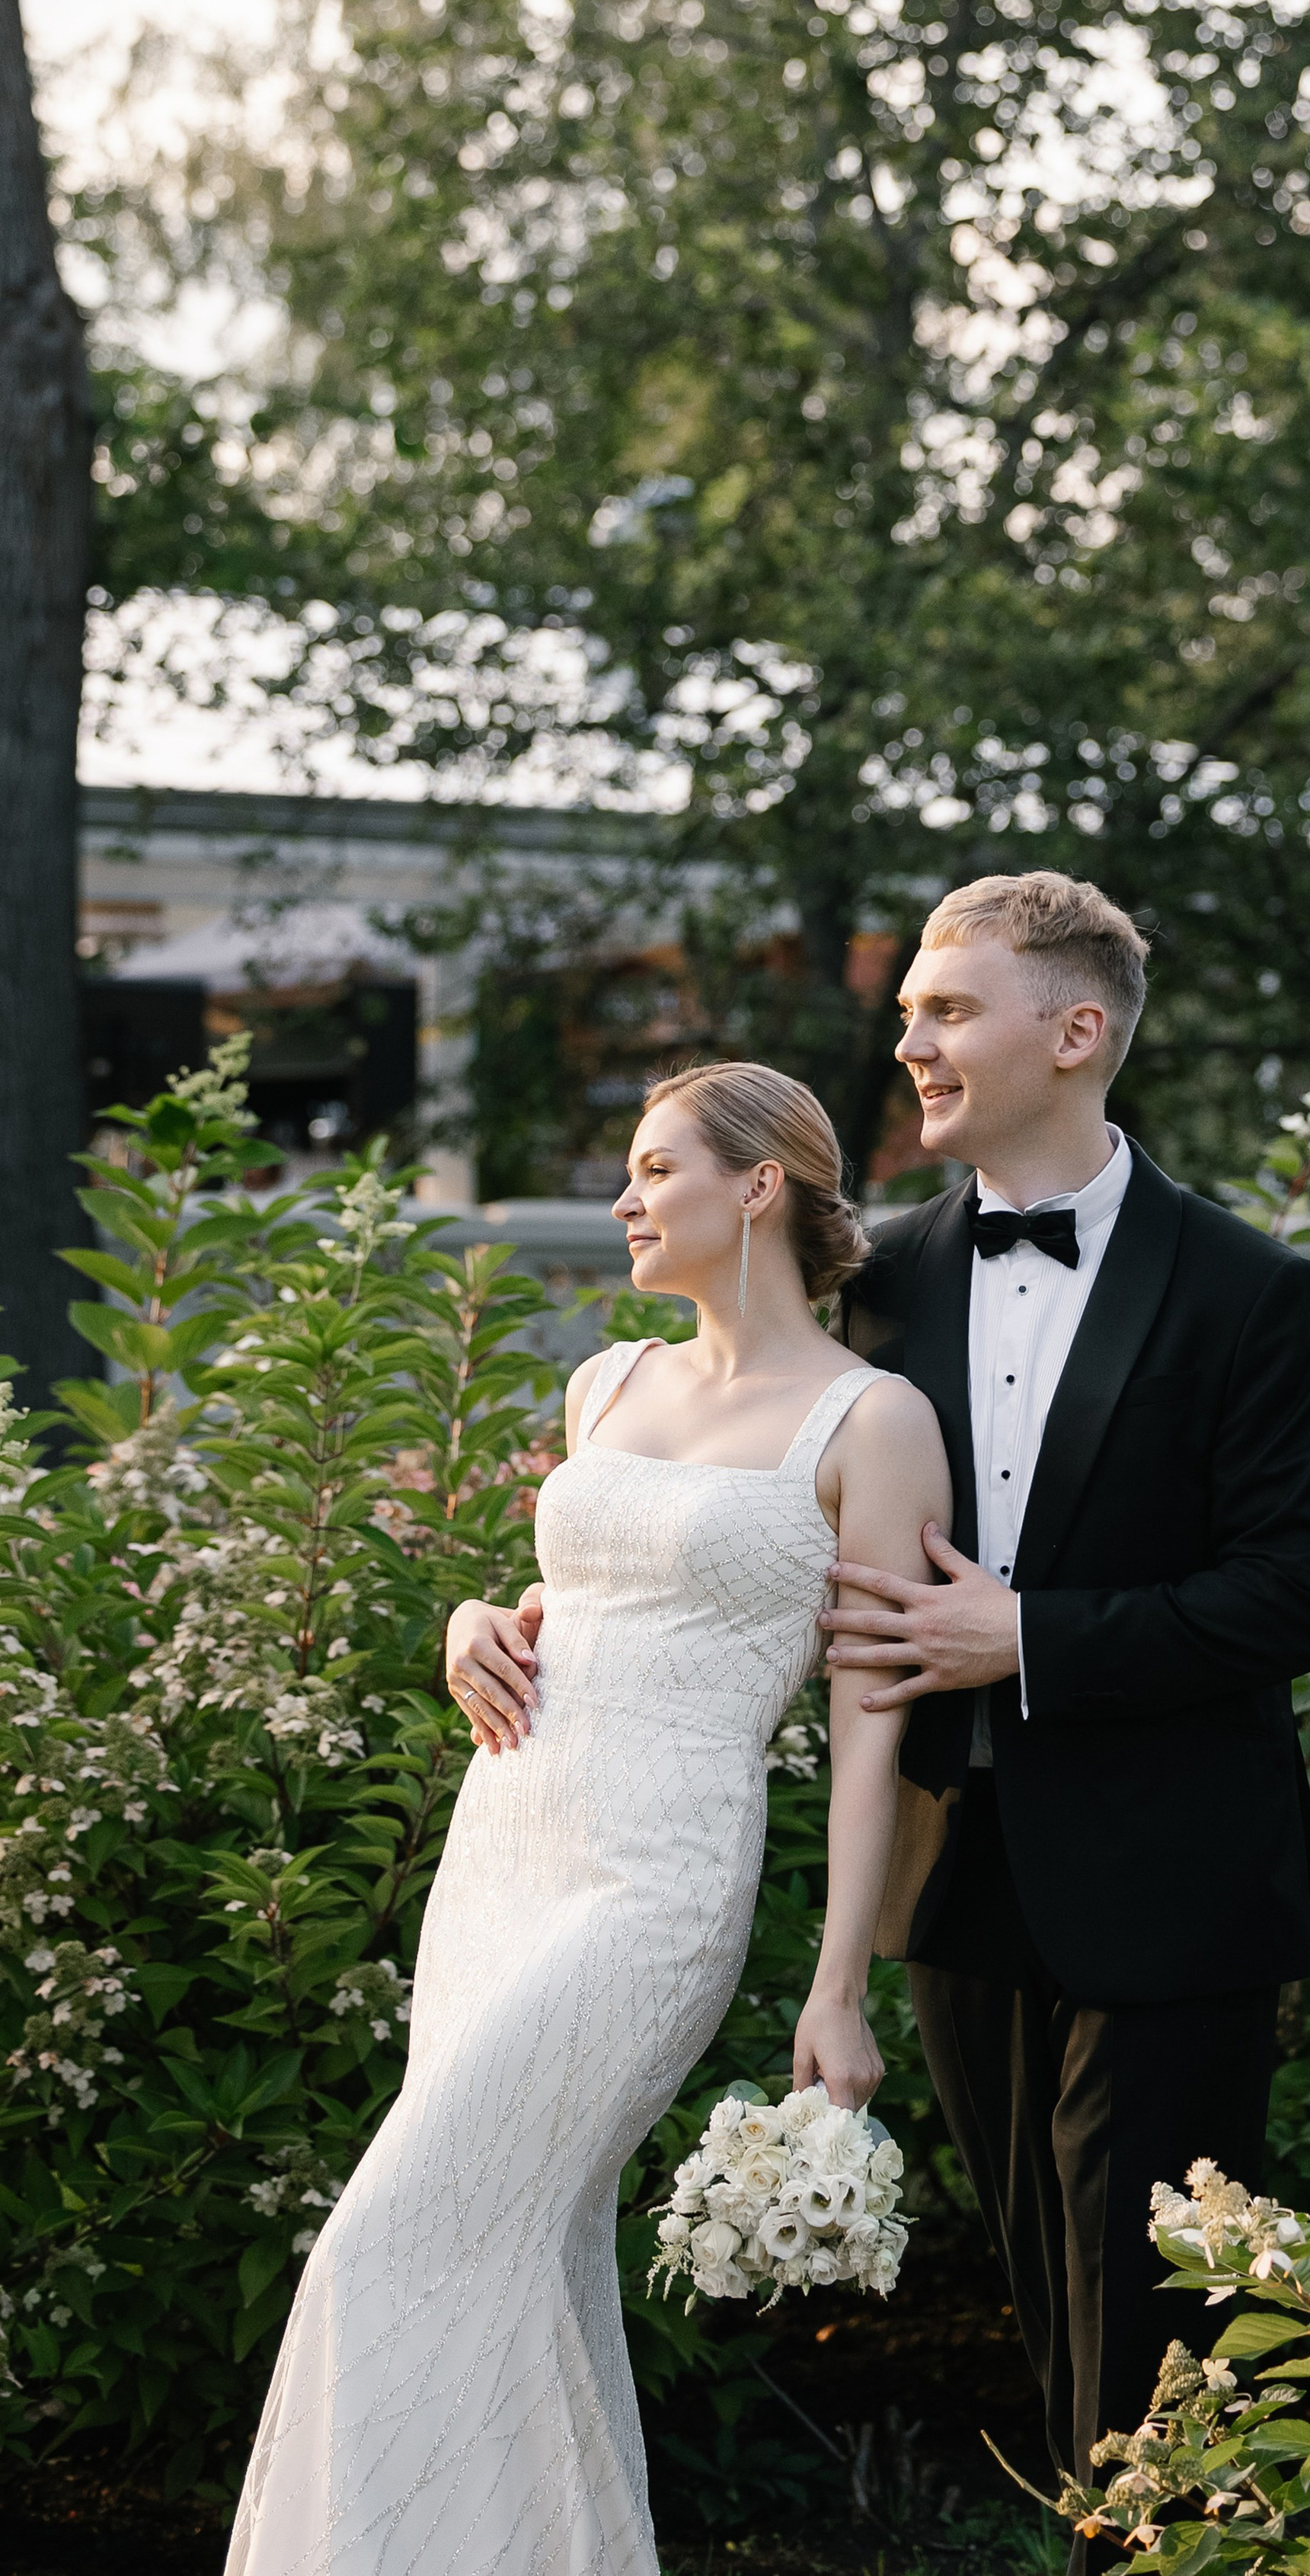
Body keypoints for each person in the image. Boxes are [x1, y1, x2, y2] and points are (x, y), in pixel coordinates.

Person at [227, 1062, 948, 2576]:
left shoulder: (871, 1422)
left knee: (392, 2235)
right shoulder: (604, 1381)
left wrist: (840, 1984)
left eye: (654, 1169)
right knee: (514, 2254)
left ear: (757, 1187)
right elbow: (575, 1601)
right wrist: (469, 1620)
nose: (624, 1201)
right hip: (503, 1846)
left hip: (656, 1880)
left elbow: (874, 1720)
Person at [823, 871, 1310, 2562]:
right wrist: (512, 1610)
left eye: (944, 1009)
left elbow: (1296, 1594)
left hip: (1176, 1884)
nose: (908, 1038)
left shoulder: (1249, 1291)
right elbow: (736, 1498)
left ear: (1075, 1033)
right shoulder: (876, 1281)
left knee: (1159, 2348)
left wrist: (1025, 1637)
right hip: (952, 1880)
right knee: (1053, 2323)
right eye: (909, 1009)